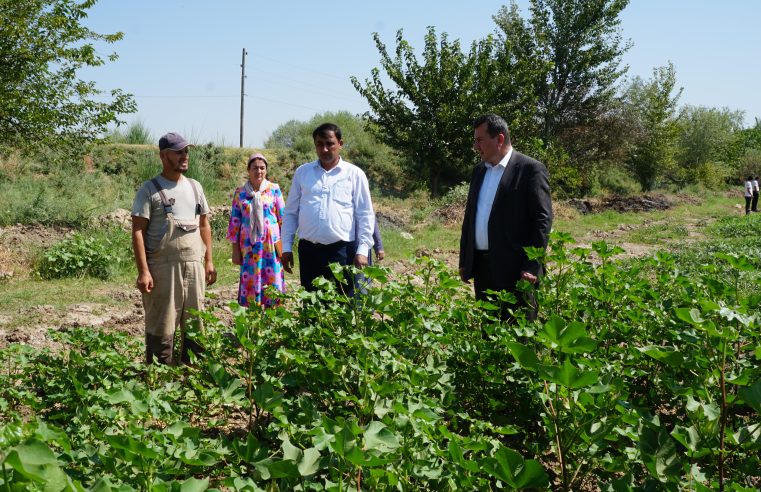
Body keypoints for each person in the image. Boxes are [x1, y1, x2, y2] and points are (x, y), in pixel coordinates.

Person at [131, 132, 217, 364]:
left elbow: (204, 224)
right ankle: (160, 383)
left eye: (186, 151)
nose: (184, 156)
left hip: (194, 268)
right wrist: (143, 271)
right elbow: (137, 231)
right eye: (178, 152)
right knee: (162, 326)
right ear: (163, 155)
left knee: (195, 325)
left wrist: (209, 260)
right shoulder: (149, 190)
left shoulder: (195, 187)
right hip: (162, 270)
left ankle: (192, 381)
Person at [459, 114, 553, 321]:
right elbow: (470, 218)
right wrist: (464, 260)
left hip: (516, 270)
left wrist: (532, 265)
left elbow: (542, 221)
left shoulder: (530, 170)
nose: (476, 146)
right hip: (483, 268)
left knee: (519, 333)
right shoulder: (479, 172)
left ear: (499, 139)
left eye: (480, 140)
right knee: (489, 331)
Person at [281, 123, 375, 297]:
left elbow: (365, 214)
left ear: (340, 143)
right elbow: (291, 213)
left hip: (343, 252)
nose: (324, 149)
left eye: (329, 143)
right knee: (312, 305)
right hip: (309, 253)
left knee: (344, 304)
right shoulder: (303, 173)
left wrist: (363, 250)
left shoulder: (354, 174)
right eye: (319, 144)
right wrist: (286, 246)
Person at [226, 153, 286, 308]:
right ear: (248, 170)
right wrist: (235, 250)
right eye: (255, 168)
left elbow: (283, 219)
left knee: (272, 279)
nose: (258, 171)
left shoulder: (274, 190)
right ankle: (252, 319)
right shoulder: (241, 193)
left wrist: (285, 248)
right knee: (251, 279)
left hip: (271, 245)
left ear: (266, 170)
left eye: (262, 168)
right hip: (249, 246)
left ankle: (273, 319)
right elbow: (235, 222)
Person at [354, 218, 384, 295]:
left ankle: (362, 305)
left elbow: (370, 219)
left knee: (360, 284)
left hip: (360, 248)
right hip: (337, 249)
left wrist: (378, 246)